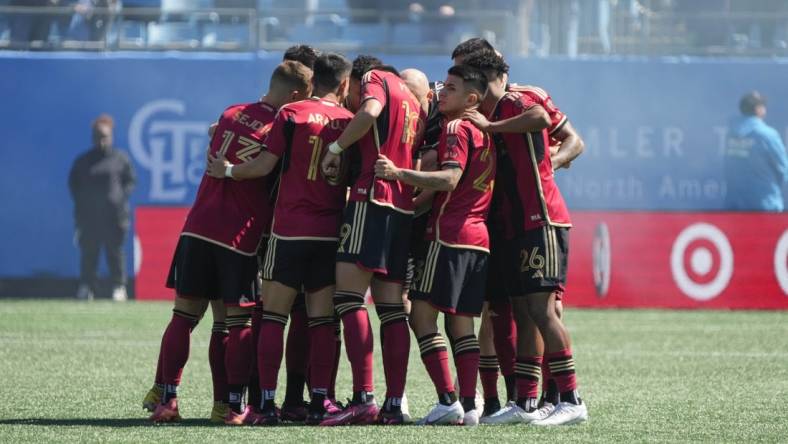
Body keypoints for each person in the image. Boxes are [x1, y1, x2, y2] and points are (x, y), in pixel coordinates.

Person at [145, 61, 312, 424]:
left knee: (183, 317)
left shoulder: (232, 111)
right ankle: (232, 406)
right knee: (238, 323)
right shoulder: (283, 125)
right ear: (296, 96)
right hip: (239, 236)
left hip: (197, 227)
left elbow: (214, 130)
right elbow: (270, 164)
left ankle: (167, 400)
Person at [206, 52, 355, 426]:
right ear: (343, 85)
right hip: (328, 233)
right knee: (323, 321)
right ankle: (320, 403)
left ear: (311, 82)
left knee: (273, 317)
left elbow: (263, 166)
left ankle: (266, 404)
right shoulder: (352, 122)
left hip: (288, 230)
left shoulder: (291, 114)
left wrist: (227, 171)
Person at [462, 49, 589, 426]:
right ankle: (527, 401)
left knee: (543, 310)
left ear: (481, 73)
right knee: (523, 311)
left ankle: (570, 397)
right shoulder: (487, 109)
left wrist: (494, 130)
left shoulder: (516, 100)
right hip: (514, 225)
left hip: (541, 217)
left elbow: (543, 120)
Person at [375, 64, 495, 426]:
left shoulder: (456, 128)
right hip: (478, 237)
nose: (441, 93)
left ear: (471, 98)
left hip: (449, 234)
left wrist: (399, 174)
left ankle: (447, 399)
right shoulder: (485, 132)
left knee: (421, 315)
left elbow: (449, 178)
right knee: (461, 325)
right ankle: (469, 405)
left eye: (451, 89)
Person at [318, 55, 425, 426]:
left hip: (372, 199)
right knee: (392, 308)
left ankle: (364, 397)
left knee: (348, 299)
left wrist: (335, 149)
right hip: (402, 207)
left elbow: (370, 112)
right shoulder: (414, 99)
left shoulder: (376, 79)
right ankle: (395, 403)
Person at [68, 114, 135, 302]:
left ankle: (119, 287)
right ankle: (86, 287)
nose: (102, 141)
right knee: (89, 252)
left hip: (115, 216)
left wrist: (120, 198)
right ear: (93, 138)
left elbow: (130, 181)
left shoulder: (120, 159)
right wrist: (83, 204)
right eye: (98, 137)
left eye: (105, 137)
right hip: (90, 217)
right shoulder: (83, 161)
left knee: (115, 252)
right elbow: (74, 184)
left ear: (111, 137)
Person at [724, 91, 788, 211]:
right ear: (758, 110)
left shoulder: (731, 133)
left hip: (734, 207)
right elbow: (784, 168)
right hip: (764, 207)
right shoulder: (767, 135)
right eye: (763, 105)